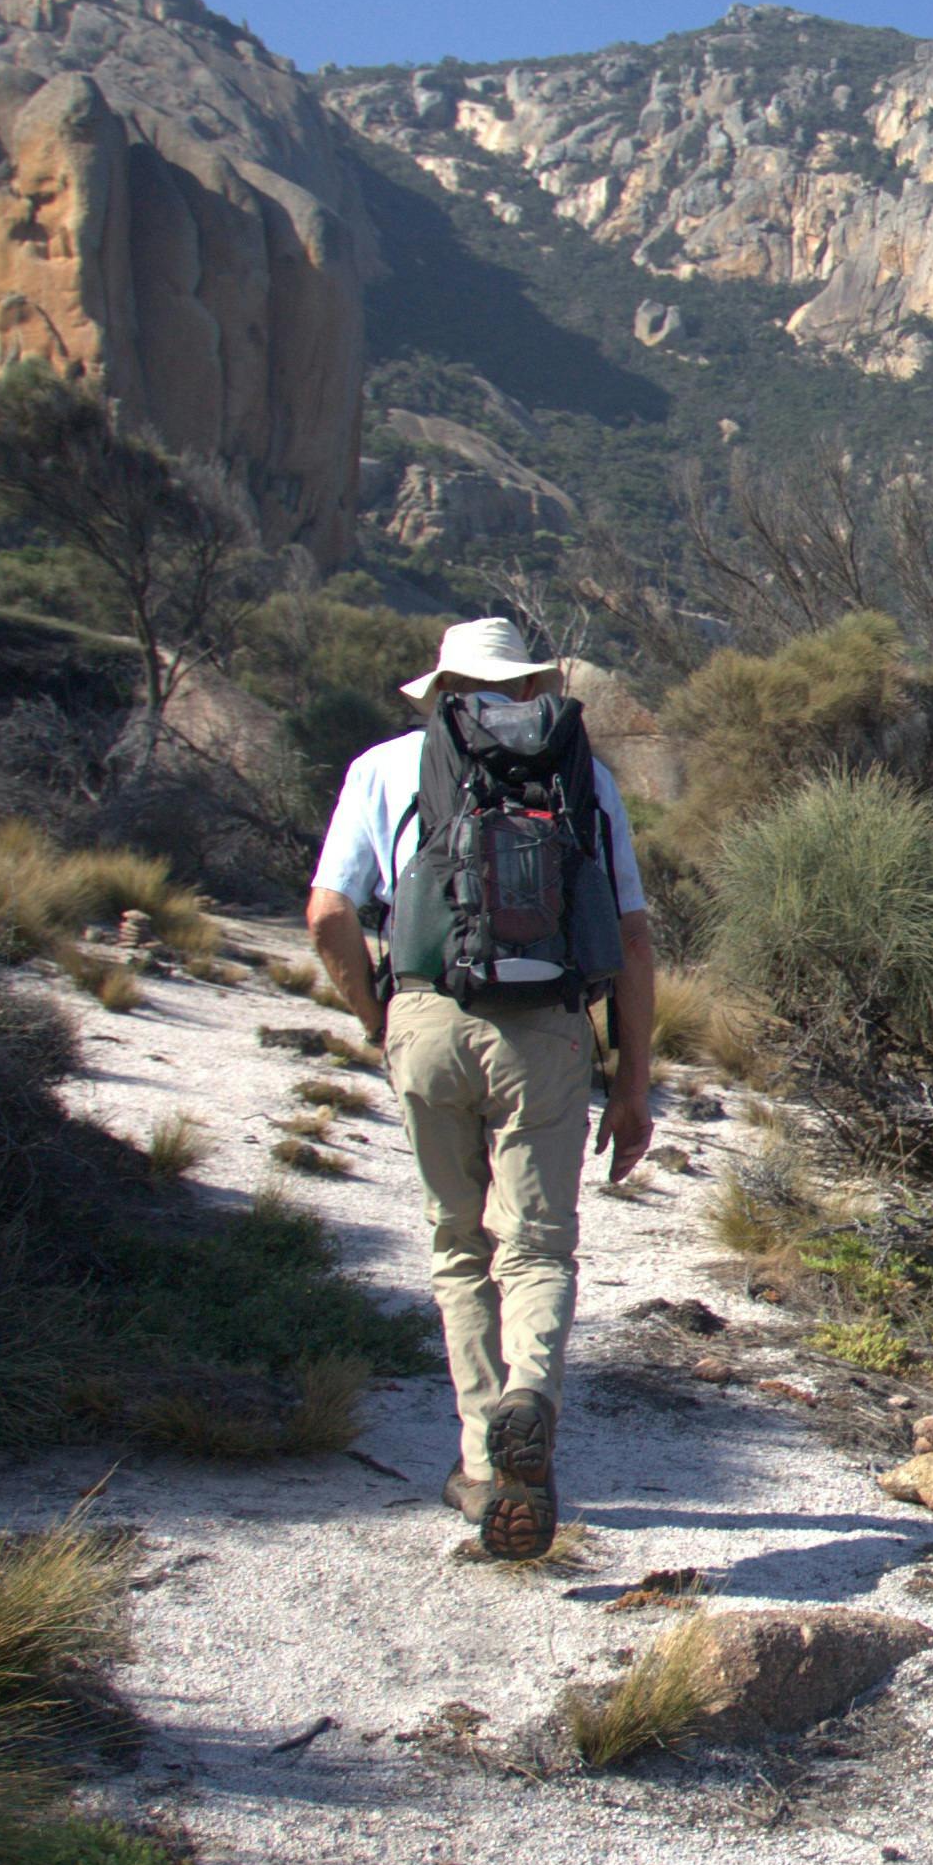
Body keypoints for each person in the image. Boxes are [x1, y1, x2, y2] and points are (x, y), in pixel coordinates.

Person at [306, 618, 656, 1557]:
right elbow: (629, 938)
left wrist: (382, 1018)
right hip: (547, 1029)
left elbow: (328, 914)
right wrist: (632, 1080)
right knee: (537, 1249)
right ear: (534, 684)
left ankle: (483, 1459)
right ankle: (531, 1400)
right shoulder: (585, 775)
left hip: (428, 1018)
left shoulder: (383, 768)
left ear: (440, 687)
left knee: (458, 1242)